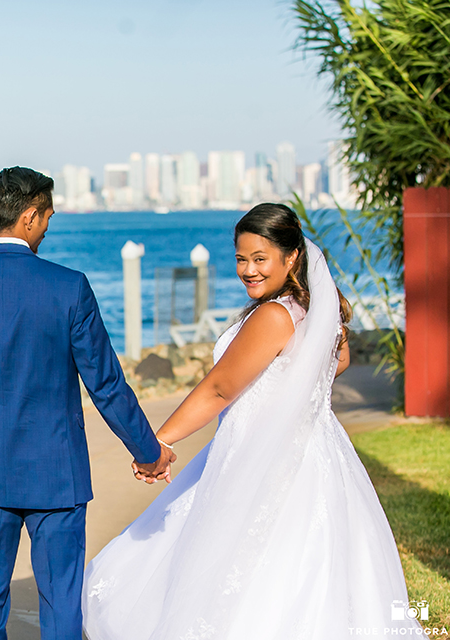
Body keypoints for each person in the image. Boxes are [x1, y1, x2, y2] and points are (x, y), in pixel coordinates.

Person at [83, 203, 422, 639]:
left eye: (260, 259)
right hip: (319, 453)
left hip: (263, 455)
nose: (248, 270)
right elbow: (336, 364)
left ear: (291, 257)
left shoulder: (273, 316)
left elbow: (220, 389)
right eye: (241, 259)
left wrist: (156, 444)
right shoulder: (318, 313)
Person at [0, 166, 175, 640]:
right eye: (49, 217)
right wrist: (147, 450)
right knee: (61, 606)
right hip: (56, 473)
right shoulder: (69, 287)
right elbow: (106, 383)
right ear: (30, 217)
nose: (48, 228)